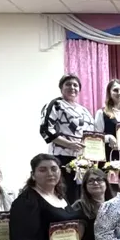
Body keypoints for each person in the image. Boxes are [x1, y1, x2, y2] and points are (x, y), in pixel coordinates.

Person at [39, 73, 95, 203]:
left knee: (81, 195)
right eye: (68, 84)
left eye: (75, 85)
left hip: (83, 159)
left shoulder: (84, 110)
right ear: (61, 87)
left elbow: (93, 133)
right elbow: (46, 130)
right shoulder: (56, 105)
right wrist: (69, 144)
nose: (72, 87)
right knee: (64, 193)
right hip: (62, 157)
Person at [94, 78, 120, 169]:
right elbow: (96, 137)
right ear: (109, 93)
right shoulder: (102, 113)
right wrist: (108, 138)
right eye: (115, 90)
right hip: (109, 157)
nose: (119, 93)